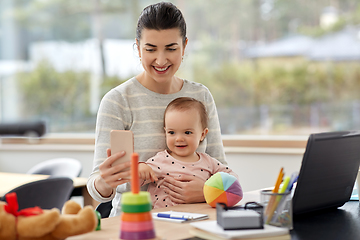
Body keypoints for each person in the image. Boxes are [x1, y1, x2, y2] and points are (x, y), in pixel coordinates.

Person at [87, 2, 227, 217]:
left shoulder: (201, 96)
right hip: (135, 223)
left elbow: (222, 172)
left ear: (185, 45)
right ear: (137, 46)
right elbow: (98, 188)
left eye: (171, 49)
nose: (161, 60)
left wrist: (207, 191)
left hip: (196, 220)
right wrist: (105, 181)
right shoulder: (117, 100)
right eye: (150, 49)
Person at [139, 97, 240, 209]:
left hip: (201, 216)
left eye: (187, 132)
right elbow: (136, 180)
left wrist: (209, 190)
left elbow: (232, 180)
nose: (179, 139)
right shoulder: (161, 160)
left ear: (202, 134)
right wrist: (141, 167)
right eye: (171, 132)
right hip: (165, 218)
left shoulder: (208, 162)